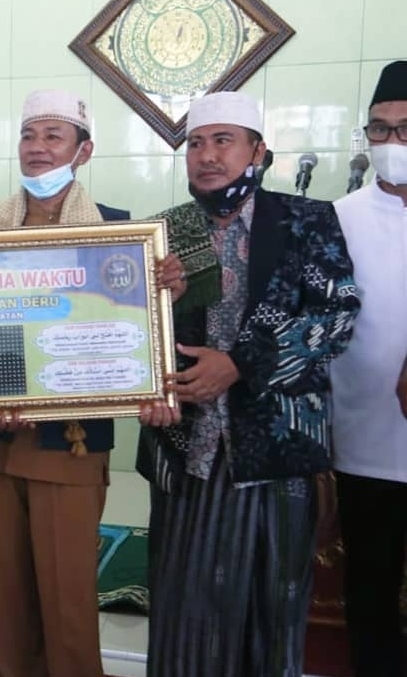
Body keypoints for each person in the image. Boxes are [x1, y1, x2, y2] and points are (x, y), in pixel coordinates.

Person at [0, 89, 177, 677]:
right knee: (3, 594)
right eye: (29, 135)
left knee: (65, 596)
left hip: (66, 441)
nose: (38, 148)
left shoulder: (120, 235)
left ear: (84, 151)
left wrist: (164, 293)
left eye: (53, 136)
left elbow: (133, 335)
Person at [137, 90, 360, 676]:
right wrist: (147, 383)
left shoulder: (305, 221)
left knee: (272, 608)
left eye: (223, 141)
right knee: (184, 614)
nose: (207, 156)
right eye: (196, 144)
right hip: (187, 448)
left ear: (258, 151)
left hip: (275, 451)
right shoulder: (164, 231)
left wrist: (240, 364)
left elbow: (336, 316)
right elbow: (135, 331)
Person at [331, 59, 407, 677]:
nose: (391, 143)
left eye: (405, 130)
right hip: (361, 436)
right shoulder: (339, 217)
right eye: (379, 129)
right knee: (371, 586)